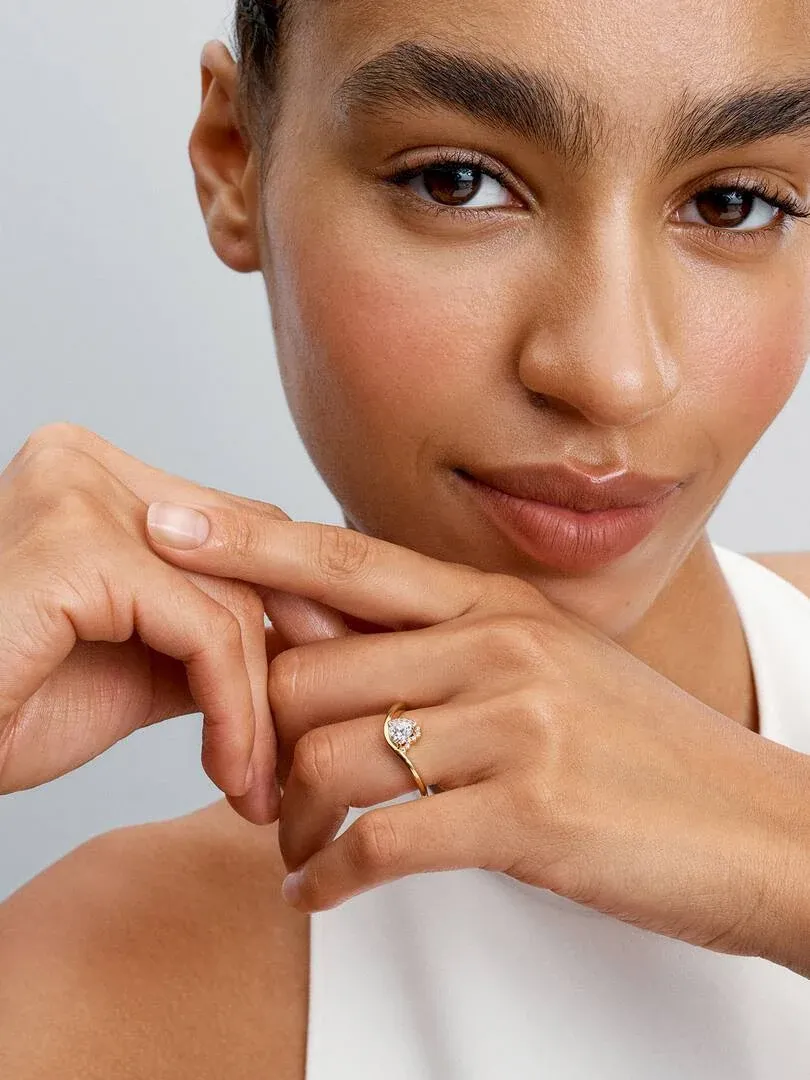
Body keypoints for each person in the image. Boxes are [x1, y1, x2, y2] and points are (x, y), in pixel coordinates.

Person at [2, 0, 810, 1075]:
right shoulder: (100, 994)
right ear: (235, 159)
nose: (613, 371)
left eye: (735, 201)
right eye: (455, 182)